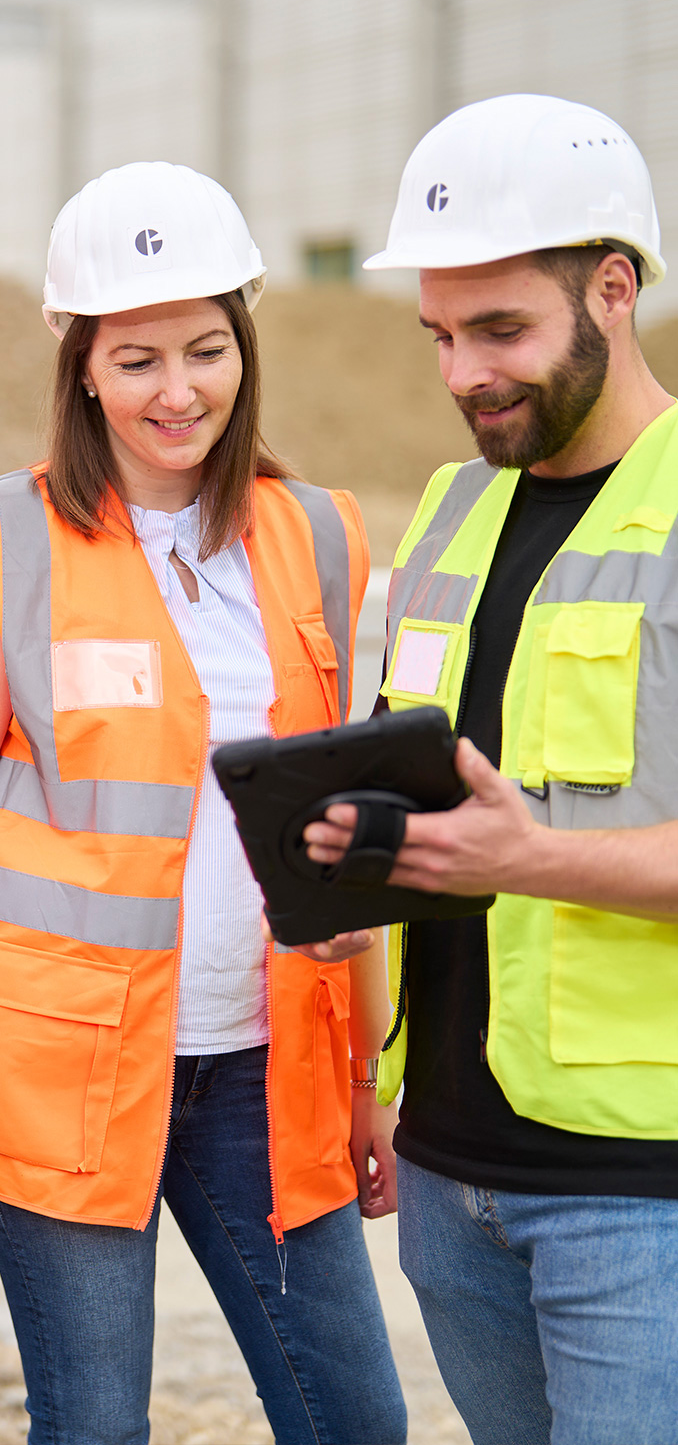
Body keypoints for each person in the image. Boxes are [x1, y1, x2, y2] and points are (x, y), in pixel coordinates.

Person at [0, 161, 406, 1445]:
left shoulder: (320, 537)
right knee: (96, 1426)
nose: (179, 393)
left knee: (355, 1421)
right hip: (53, 1075)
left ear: (245, 344)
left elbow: (343, 835)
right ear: (79, 366)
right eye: (135, 361)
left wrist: (364, 1076)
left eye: (206, 351)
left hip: (261, 1067)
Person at [305, 94, 678, 1444]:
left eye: (500, 331)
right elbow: (436, 804)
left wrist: (532, 860)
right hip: (449, 1166)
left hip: (638, 1191)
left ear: (613, 290)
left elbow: (526, 840)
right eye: (441, 336)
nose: (463, 372)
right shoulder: (454, 505)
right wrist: (364, 888)